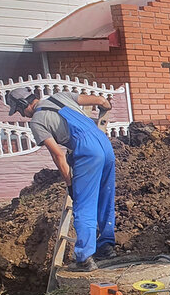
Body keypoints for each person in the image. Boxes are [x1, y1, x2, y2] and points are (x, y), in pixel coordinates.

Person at [7, 87, 116, 271]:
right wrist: (106, 106)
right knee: (105, 197)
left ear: (24, 104)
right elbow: (101, 101)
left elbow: (58, 155)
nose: (21, 115)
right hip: (104, 144)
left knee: (84, 204)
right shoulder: (60, 97)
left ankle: (84, 259)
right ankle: (106, 246)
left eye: (19, 110)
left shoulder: (37, 122)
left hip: (87, 151)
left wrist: (70, 182)